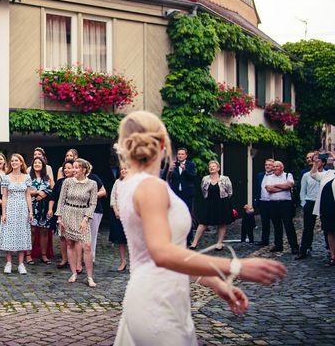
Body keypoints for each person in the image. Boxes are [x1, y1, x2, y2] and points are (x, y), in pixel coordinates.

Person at [113, 111, 287, 345]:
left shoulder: (127, 186)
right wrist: (236, 266)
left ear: (124, 146)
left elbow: (159, 255)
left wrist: (211, 280)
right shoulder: (151, 187)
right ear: (164, 145)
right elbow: (162, 253)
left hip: (154, 293)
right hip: (157, 301)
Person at [55, 158, 98, 287]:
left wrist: (86, 219)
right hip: (68, 213)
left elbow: (93, 203)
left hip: (82, 215)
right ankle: (73, 273)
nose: (73, 170)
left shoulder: (92, 184)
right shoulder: (67, 182)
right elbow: (61, 200)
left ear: (84, 169)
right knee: (70, 243)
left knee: (87, 246)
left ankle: (90, 277)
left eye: (76, 167)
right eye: (72, 167)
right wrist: (59, 218)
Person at [0, 153, 33, 275]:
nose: (14, 162)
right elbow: (4, 196)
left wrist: (31, 212)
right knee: (9, 234)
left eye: (16, 161)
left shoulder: (27, 177)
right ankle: (8, 263)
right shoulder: (6, 177)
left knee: (22, 234)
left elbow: (28, 195)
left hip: (22, 208)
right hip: (10, 208)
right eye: (12, 161)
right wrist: (3, 213)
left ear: (21, 162)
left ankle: (21, 264)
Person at [189, 160, 234, 251]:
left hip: (222, 203)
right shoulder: (205, 179)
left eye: (213, 166)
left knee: (222, 223)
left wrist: (223, 199)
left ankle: (219, 243)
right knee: (203, 223)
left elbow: (230, 192)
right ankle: (194, 242)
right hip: (209, 203)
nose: (211, 168)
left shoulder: (225, 179)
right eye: (210, 166)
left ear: (218, 168)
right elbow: (203, 190)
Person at [264, 161, 298, 254]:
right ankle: (278, 245)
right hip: (273, 204)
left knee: (289, 225)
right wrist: (283, 187)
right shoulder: (269, 177)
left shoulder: (288, 175)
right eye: (274, 166)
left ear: (282, 167)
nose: (274, 168)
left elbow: (290, 185)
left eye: (277, 166)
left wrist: (275, 185)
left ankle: (294, 246)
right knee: (276, 225)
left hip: (285, 204)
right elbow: (269, 189)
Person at [47, 160, 74, 269]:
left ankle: (75, 261)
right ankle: (64, 259)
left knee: (73, 238)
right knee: (63, 237)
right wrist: (50, 209)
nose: (66, 170)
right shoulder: (59, 182)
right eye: (65, 168)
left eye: (69, 167)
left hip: (74, 211)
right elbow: (53, 197)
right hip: (61, 212)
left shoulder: (78, 181)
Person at [310, 153, 335, 266]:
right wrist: (315, 162)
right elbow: (314, 175)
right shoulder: (328, 173)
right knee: (329, 231)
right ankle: (333, 256)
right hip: (327, 208)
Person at [297, 153, 323, 259]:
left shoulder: (328, 174)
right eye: (314, 160)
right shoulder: (306, 175)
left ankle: (330, 250)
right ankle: (304, 249)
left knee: (327, 228)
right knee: (308, 228)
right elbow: (302, 191)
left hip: (322, 202)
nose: (315, 162)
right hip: (310, 202)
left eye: (317, 160)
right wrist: (304, 203)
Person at [27, 156, 53, 264]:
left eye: (39, 163)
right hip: (32, 207)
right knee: (32, 230)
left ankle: (43, 255)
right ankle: (28, 255)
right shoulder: (28, 177)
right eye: (35, 163)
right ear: (32, 165)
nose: (37, 164)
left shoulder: (47, 177)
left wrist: (45, 193)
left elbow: (53, 189)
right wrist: (37, 192)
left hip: (44, 207)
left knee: (44, 231)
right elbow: (26, 191)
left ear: (43, 166)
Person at [168, 147, 197, 244]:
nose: (180, 156)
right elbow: (165, 177)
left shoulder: (190, 165)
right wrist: (169, 170)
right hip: (176, 195)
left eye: (182, 154)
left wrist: (185, 170)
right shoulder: (173, 165)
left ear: (186, 155)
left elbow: (193, 177)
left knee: (187, 216)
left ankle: (188, 238)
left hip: (187, 194)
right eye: (179, 154)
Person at [109, 162, 129, 272]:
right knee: (121, 240)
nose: (124, 171)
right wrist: (116, 211)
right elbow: (112, 198)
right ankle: (123, 261)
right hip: (118, 215)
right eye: (122, 169)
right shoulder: (117, 182)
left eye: (126, 169)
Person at [253, 158, 275, 246]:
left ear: (273, 166)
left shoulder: (276, 176)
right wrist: (256, 201)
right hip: (263, 201)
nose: (267, 166)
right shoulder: (260, 175)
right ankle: (264, 240)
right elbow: (257, 189)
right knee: (264, 222)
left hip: (273, 202)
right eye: (266, 165)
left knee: (276, 222)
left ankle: (278, 242)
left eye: (269, 165)